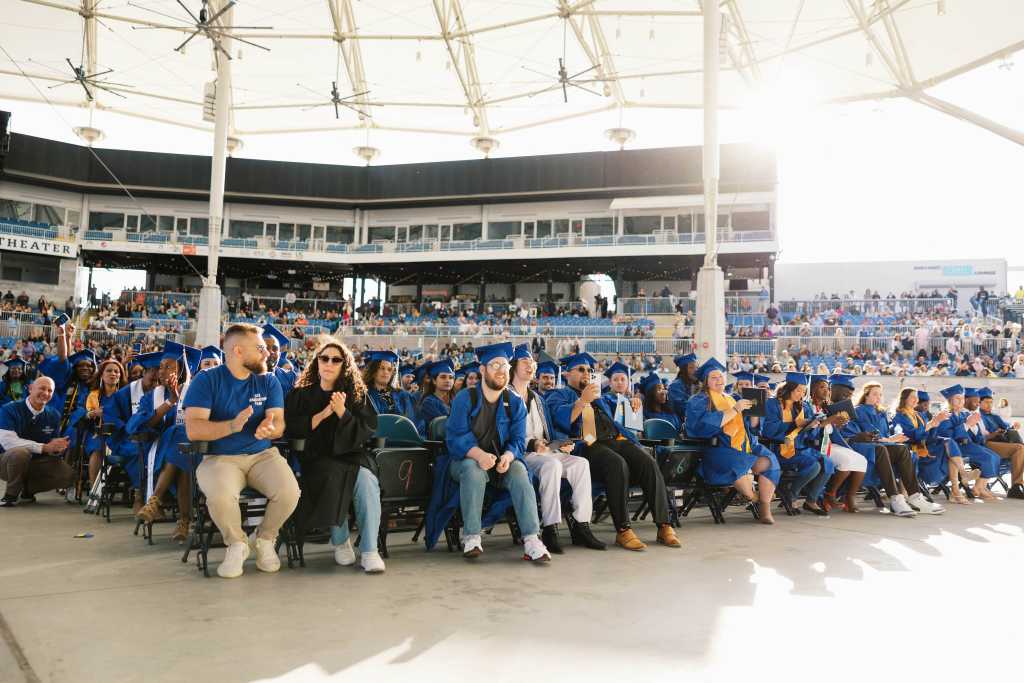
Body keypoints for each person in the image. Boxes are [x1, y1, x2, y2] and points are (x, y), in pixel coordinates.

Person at [183, 324, 300, 579]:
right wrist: (232, 426)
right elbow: (193, 429)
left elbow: (278, 422)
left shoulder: (268, 380)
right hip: (220, 457)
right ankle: (237, 544)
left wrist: (270, 428)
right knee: (221, 496)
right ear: (237, 350)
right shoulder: (207, 380)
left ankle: (265, 539)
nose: (267, 353)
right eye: (259, 348)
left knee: (290, 492)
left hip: (262, 455)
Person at [547, 352, 680, 550]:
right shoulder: (559, 395)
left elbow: (620, 406)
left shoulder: (600, 397)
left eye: (590, 370)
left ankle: (664, 525)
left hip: (612, 440)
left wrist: (633, 401)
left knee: (647, 461)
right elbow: (560, 420)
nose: (586, 373)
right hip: (586, 446)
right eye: (581, 370)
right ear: (567, 374)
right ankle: (623, 530)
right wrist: (582, 400)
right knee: (616, 463)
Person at [445, 342, 551, 562]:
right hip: (465, 462)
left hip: (500, 464)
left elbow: (518, 441)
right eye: (495, 365)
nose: (501, 370)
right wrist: (479, 455)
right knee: (473, 469)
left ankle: (532, 539)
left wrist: (508, 456)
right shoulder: (466, 398)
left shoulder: (514, 402)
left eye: (504, 365)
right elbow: (455, 438)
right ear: (482, 370)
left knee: (520, 470)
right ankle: (472, 536)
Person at [285, 340, 384, 572]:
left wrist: (342, 413)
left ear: (344, 365)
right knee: (332, 474)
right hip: (318, 457)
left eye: (336, 360)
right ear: (317, 362)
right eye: (324, 358)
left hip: (351, 455)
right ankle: (340, 542)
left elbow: (368, 428)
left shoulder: (356, 394)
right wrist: (323, 414)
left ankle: (370, 550)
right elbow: (291, 427)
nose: (329, 363)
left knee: (367, 480)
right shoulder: (301, 395)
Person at [509, 344, 604, 553]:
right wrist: (532, 444)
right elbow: (503, 434)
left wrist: (560, 444)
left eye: (532, 363)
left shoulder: (537, 398)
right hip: (520, 454)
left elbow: (548, 433)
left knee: (581, 464)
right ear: (513, 367)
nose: (531, 366)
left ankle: (582, 526)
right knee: (551, 465)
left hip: (544, 451)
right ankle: (550, 527)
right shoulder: (505, 397)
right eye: (526, 363)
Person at [685, 358, 780, 523]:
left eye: (720, 376)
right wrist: (735, 410)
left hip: (742, 445)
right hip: (716, 449)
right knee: (737, 465)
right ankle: (756, 499)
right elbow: (703, 428)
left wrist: (755, 412)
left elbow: (750, 428)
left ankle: (764, 507)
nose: (719, 380)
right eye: (714, 377)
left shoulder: (730, 399)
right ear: (706, 382)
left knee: (769, 460)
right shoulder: (698, 400)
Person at [129, 342, 203, 543]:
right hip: (160, 452)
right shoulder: (153, 397)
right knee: (180, 448)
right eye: (160, 367)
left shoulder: (197, 392)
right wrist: (170, 401)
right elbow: (140, 425)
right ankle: (184, 521)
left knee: (181, 441)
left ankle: (154, 501)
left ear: (181, 370)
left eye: (169, 366)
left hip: (197, 451)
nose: (162, 371)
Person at [852, 381, 944, 516]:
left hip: (883, 445)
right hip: (869, 447)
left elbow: (887, 433)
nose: (879, 397)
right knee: (886, 449)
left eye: (880, 395)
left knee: (902, 449)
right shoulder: (859, 410)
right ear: (866, 395)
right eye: (875, 394)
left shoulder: (881, 411)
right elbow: (869, 433)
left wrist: (894, 437)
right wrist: (889, 439)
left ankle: (915, 497)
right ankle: (895, 498)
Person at [761, 373, 834, 516]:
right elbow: (768, 429)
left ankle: (811, 500)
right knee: (814, 466)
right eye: (798, 390)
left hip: (802, 448)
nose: (801, 394)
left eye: (803, 391)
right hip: (780, 449)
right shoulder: (773, 404)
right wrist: (793, 424)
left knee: (828, 463)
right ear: (788, 388)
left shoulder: (803, 406)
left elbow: (808, 435)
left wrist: (814, 425)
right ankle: (791, 495)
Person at [0, 377, 75, 506]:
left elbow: (51, 443)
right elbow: (8, 442)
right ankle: (11, 495)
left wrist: (57, 447)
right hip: (6, 462)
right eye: (42, 388)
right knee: (20, 453)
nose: (46, 393)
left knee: (68, 475)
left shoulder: (53, 415)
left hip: (37, 462)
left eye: (50, 390)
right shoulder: (9, 409)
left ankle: (28, 491)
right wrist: (44, 447)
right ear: (30, 389)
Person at [104, 352, 161, 513]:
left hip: (155, 438)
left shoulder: (162, 392)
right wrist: (133, 427)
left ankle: (159, 497)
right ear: (144, 373)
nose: (154, 383)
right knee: (140, 451)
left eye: (158, 380)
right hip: (126, 439)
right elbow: (112, 417)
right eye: (152, 377)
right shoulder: (125, 393)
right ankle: (140, 495)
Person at [807, 375, 868, 513]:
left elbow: (831, 430)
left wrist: (838, 424)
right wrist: (830, 420)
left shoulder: (826, 408)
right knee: (846, 461)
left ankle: (849, 497)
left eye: (828, 388)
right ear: (813, 389)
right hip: (816, 445)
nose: (826, 391)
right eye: (822, 387)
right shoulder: (808, 407)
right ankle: (830, 494)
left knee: (861, 460)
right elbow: (811, 430)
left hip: (829, 443)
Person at [890, 388, 961, 499]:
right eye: (912, 397)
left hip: (922, 447)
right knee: (911, 454)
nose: (915, 399)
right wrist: (932, 423)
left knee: (948, 442)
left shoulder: (919, 415)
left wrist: (936, 424)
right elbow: (910, 435)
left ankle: (961, 477)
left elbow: (929, 437)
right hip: (908, 446)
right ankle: (904, 494)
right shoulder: (899, 416)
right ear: (904, 399)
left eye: (916, 397)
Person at [935, 385, 1001, 501]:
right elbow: (947, 437)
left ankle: (981, 486)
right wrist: (967, 425)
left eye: (962, 398)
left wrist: (975, 427)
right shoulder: (945, 416)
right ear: (950, 400)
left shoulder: (964, 414)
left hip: (968, 445)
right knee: (988, 457)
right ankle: (977, 488)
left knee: (995, 456)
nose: (961, 401)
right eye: (957, 399)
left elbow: (975, 437)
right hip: (954, 447)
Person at [968, 387, 1024, 499]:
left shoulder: (994, 416)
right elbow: (979, 436)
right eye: (986, 402)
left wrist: (1013, 427)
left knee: (1020, 447)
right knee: (1019, 448)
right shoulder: (978, 416)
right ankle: (1016, 486)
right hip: (986, 444)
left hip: (999, 443)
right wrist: (994, 434)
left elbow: (1007, 427)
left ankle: (1017, 486)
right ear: (979, 403)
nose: (989, 405)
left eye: (991, 402)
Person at [81, 358, 127, 486]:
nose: (113, 374)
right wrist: (91, 414)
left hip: (119, 434)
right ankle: (94, 489)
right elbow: (87, 415)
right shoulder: (94, 395)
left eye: (117, 372)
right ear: (102, 374)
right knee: (97, 448)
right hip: (98, 433)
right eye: (109, 371)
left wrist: (105, 414)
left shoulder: (124, 395)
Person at [363, 350, 421, 433]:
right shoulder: (364, 395)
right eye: (381, 368)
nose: (386, 372)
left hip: (401, 440)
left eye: (389, 369)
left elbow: (413, 421)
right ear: (373, 370)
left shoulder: (402, 396)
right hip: (376, 442)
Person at [598, 361, 643, 435]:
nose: (619, 382)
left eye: (623, 379)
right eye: (615, 379)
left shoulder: (633, 401)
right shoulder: (604, 399)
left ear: (628, 382)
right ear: (610, 383)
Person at [417, 359, 455, 428]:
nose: (448, 381)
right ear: (434, 381)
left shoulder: (453, 401)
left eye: (451, 377)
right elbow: (445, 426)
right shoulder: (429, 402)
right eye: (443, 377)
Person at [262, 323, 296, 396]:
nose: (271, 352)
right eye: (266, 348)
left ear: (280, 354)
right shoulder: (246, 377)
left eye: (275, 349)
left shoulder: (290, 377)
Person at [667, 353, 698, 425]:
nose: (696, 370)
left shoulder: (695, 384)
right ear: (684, 370)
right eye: (691, 367)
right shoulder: (675, 386)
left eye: (696, 367)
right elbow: (683, 408)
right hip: (680, 424)